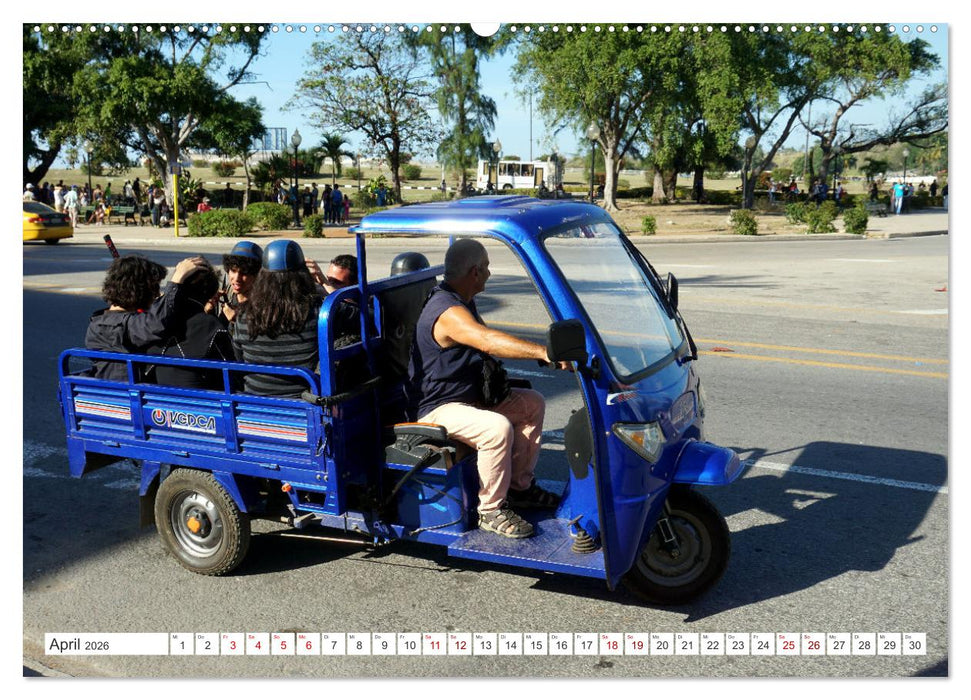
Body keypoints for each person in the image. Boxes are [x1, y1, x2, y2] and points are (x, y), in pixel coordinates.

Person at [408, 238, 567, 539]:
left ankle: (520, 488)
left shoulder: (461, 298)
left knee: (531, 403)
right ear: (475, 272)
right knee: (495, 428)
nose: (490, 274)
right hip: (438, 408)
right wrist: (542, 352)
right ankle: (491, 510)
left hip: (468, 399)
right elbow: (486, 340)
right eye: (488, 268)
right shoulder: (447, 310)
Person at [85, 255, 209, 381]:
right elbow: (156, 323)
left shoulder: (119, 320)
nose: (156, 294)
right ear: (139, 289)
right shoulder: (109, 326)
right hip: (123, 396)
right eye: (154, 288)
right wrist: (177, 279)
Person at [231, 240, 321, 398]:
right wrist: (325, 285)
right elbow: (366, 316)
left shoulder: (244, 315)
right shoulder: (318, 312)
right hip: (304, 406)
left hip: (255, 405)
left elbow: (239, 361)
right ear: (303, 274)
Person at [147, 260, 236, 390]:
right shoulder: (211, 325)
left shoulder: (155, 320)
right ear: (209, 293)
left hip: (156, 397)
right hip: (201, 403)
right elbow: (231, 370)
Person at [219, 241, 263, 327]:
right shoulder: (227, 297)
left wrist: (238, 322)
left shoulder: (263, 305)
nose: (236, 278)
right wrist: (209, 311)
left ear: (256, 275)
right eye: (233, 271)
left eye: (244, 273)